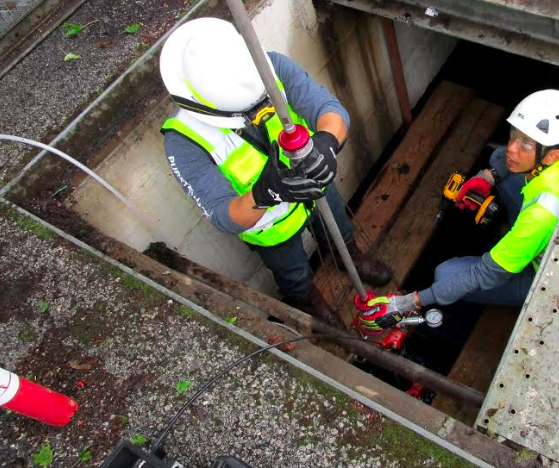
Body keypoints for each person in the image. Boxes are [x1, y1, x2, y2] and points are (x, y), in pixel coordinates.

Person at [158, 17, 392, 323]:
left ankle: (350, 257)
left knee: (338, 226)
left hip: (314, 186)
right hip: (270, 227)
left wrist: (326, 143)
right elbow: (223, 215)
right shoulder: (183, 141)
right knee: (293, 272)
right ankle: (310, 302)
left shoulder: (270, 68)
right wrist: (264, 193)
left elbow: (329, 110)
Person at [357, 90, 559, 331]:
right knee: (500, 158)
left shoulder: (539, 216)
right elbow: (507, 156)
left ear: (552, 155)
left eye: (526, 143)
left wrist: (404, 303)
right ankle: (513, 237)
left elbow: (483, 274)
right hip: (539, 234)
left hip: (545, 275)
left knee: (445, 276)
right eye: (514, 134)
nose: (512, 147)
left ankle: (517, 257)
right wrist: (487, 177)